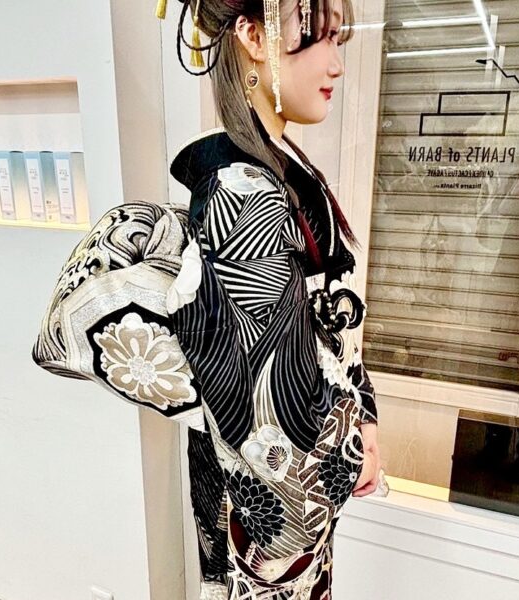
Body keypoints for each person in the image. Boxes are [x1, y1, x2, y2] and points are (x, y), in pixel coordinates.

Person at [158, 0, 382, 597]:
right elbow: (262, 408)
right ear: (253, 37)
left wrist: (363, 416)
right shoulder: (242, 194)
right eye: (315, 38)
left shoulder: (276, 169)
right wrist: (348, 450)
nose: (335, 64)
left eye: (338, 41)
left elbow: (326, 327)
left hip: (295, 493)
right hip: (274, 510)